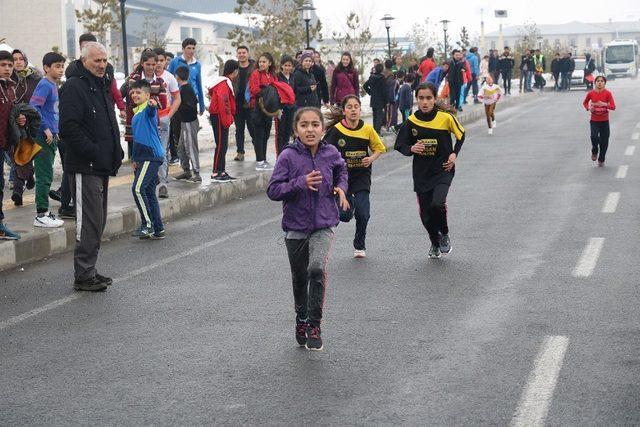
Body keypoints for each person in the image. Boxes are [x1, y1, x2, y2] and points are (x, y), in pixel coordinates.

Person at [266, 107, 349, 351]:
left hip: (324, 223)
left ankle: (314, 323)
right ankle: (301, 318)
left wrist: (341, 187)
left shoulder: (331, 152)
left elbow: (342, 170)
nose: (310, 129)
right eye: (304, 125)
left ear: (323, 129)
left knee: (316, 268)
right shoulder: (288, 157)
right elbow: (273, 190)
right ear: (296, 130)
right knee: (300, 279)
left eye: (315, 124)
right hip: (295, 227)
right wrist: (301, 183)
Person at [59, 42, 124, 292]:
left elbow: (107, 121)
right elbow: (68, 128)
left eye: (104, 60)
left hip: (102, 165)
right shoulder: (74, 87)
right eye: (96, 60)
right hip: (85, 165)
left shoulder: (101, 84)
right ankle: (83, 274)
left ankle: (90, 269)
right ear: (84, 60)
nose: (101, 65)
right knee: (88, 222)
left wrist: (115, 151)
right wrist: (93, 151)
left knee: (98, 221)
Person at [394, 83, 465, 259]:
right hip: (422, 174)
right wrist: (411, 149)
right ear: (416, 100)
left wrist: (454, 154)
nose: (424, 102)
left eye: (428, 98)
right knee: (426, 215)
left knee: (437, 204)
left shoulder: (445, 118)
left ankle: (445, 234)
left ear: (435, 99)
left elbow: (461, 134)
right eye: (421, 98)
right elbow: (400, 144)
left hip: (443, 169)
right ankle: (435, 242)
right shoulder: (412, 121)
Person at [325, 95, 386, 258]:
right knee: (344, 215)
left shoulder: (367, 129)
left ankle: (359, 245)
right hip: (342, 179)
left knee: (363, 213)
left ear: (360, 109)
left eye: (356, 107)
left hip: (361, 176)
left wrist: (371, 158)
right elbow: (324, 153)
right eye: (349, 107)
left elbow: (379, 148)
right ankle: (348, 203)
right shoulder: (336, 130)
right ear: (344, 111)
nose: (353, 110)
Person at [29, 52, 66, 228]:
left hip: (51, 134)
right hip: (44, 136)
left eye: (62, 66)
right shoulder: (44, 85)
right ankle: (41, 214)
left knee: (47, 174)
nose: (61, 70)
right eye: (57, 66)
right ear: (46, 68)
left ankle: (44, 213)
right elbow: (34, 107)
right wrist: (45, 128)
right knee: (44, 175)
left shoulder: (53, 85)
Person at [129, 79, 165, 239]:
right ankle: (158, 229)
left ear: (148, 95)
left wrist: (152, 104)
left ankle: (147, 225)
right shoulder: (137, 112)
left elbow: (152, 110)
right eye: (133, 92)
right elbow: (138, 138)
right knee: (149, 192)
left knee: (137, 189)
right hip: (144, 157)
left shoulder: (147, 110)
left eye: (139, 92)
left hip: (151, 155)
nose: (135, 95)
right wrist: (135, 159)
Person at [9, 49, 41, 206]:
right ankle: (17, 191)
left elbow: (39, 102)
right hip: (14, 123)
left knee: (26, 154)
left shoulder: (35, 78)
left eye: (21, 58)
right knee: (18, 156)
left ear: (26, 60)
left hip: (33, 123)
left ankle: (29, 176)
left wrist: (28, 117)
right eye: (15, 59)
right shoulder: (9, 80)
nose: (18, 62)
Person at [0, 50, 23, 240]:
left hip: (3, 144)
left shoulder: (10, 87)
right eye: (3, 65)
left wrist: (19, 119)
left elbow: (11, 115)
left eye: (9, 65)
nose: (7, 68)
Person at [152, 47, 181, 199]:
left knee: (162, 152)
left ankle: (162, 183)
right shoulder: (145, 77)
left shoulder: (169, 78)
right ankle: (150, 182)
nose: (158, 64)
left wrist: (169, 116)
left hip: (163, 120)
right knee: (149, 152)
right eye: (155, 60)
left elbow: (177, 99)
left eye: (161, 60)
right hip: (148, 121)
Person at [209, 59, 239, 183]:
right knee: (221, 145)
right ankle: (216, 172)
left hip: (219, 115)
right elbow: (223, 101)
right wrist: (227, 119)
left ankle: (221, 170)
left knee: (223, 145)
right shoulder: (224, 83)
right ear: (235, 71)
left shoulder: (223, 81)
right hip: (219, 116)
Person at [248, 52, 278, 171]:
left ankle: (264, 159)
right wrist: (267, 91)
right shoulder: (256, 74)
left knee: (266, 135)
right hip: (258, 108)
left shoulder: (272, 75)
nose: (261, 64)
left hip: (269, 109)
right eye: (260, 62)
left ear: (270, 63)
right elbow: (254, 89)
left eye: (264, 62)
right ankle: (259, 160)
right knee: (259, 135)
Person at [173, 66, 201, 182]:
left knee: (190, 147)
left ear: (177, 77)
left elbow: (189, 106)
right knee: (181, 147)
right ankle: (186, 171)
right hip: (185, 122)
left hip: (189, 122)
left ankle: (196, 172)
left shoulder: (185, 90)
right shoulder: (186, 88)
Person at [583, 75, 616, 167]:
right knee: (594, 137)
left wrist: (604, 104)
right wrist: (589, 108)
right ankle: (594, 150)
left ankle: (601, 158)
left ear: (605, 83)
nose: (600, 82)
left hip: (605, 121)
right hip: (594, 120)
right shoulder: (591, 93)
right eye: (598, 81)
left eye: (602, 81)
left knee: (604, 141)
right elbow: (585, 102)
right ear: (595, 83)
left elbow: (613, 107)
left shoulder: (608, 93)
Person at [167, 38, 205, 117]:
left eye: (193, 48)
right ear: (183, 48)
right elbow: (168, 81)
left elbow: (199, 84)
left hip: (191, 101)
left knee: (191, 127)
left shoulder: (197, 65)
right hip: (177, 100)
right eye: (189, 48)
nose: (191, 51)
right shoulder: (174, 62)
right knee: (177, 127)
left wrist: (201, 104)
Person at [232, 46, 256, 162]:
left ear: (248, 54)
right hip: (237, 104)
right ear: (237, 54)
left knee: (253, 128)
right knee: (239, 129)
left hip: (250, 104)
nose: (241, 54)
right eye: (239, 52)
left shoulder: (254, 67)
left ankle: (258, 150)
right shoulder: (233, 67)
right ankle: (240, 152)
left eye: (244, 52)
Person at [276, 55, 295, 156]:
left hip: (291, 107)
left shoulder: (293, 77)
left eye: (289, 65)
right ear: (282, 66)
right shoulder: (278, 77)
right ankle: (280, 154)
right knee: (281, 132)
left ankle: (286, 153)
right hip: (281, 107)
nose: (287, 68)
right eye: (285, 65)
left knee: (288, 131)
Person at [363, 63, 386, 135]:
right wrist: (386, 101)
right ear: (382, 70)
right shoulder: (382, 78)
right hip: (380, 99)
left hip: (373, 99)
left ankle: (374, 131)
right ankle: (377, 131)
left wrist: (370, 92)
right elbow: (384, 91)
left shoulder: (372, 77)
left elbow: (365, 86)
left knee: (375, 116)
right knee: (379, 116)